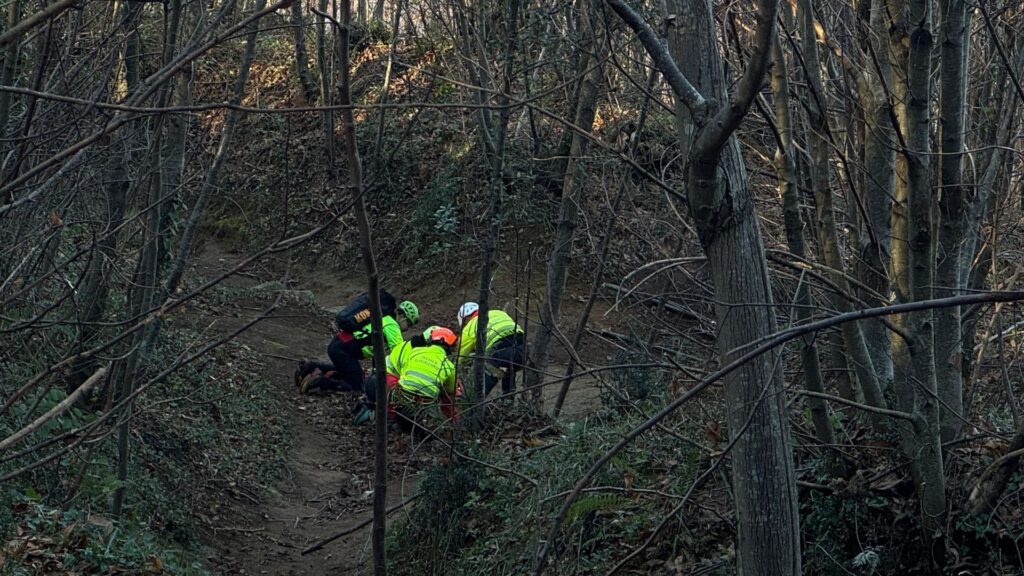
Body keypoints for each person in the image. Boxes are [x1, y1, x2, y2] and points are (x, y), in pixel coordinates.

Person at [296, 296, 419, 393]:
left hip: (338, 344)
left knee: (349, 371)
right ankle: (319, 381)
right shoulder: (392, 326)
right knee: (356, 384)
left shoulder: (384, 318)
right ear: (402, 317)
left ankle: (311, 366)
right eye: (409, 324)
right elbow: (400, 352)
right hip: (343, 350)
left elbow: (377, 351)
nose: (408, 329)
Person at [353, 326, 461, 430]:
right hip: (383, 380)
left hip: (388, 385)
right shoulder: (447, 364)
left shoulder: (416, 351)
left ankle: (399, 418)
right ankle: (383, 416)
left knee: (408, 405)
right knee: (405, 408)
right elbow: (449, 391)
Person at [455, 302, 525, 398]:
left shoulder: (471, 325)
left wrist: (456, 373)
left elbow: (460, 357)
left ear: (466, 319)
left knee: (481, 386)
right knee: (508, 370)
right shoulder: (499, 313)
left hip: (500, 351)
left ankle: (473, 405)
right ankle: (508, 403)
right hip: (524, 348)